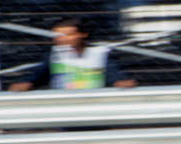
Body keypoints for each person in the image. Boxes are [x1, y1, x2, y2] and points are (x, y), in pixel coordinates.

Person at [9, 18, 137, 90]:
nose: (62, 39)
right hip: (64, 106)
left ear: (83, 34)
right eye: (58, 35)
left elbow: (114, 75)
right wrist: (26, 83)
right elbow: (37, 75)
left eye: (68, 35)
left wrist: (121, 82)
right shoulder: (54, 55)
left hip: (94, 105)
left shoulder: (99, 53)